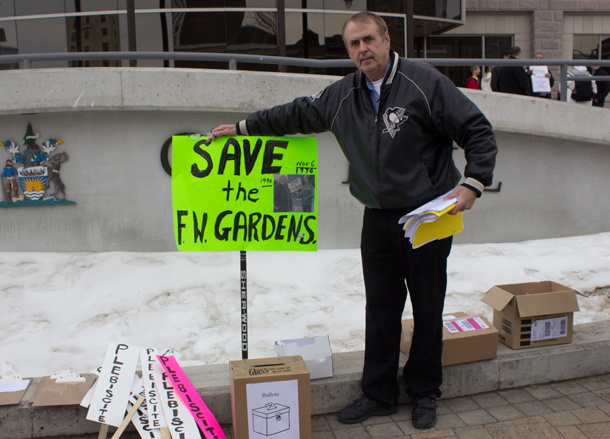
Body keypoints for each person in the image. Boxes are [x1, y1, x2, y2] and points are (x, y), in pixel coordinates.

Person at [208, 12, 497, 429]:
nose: (362, 50)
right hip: (377, 217)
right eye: (353, 45)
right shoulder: (344, 94)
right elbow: (298, 114)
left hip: (428, 214)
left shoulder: (423, 82)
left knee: (428, 305)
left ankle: (424, 391)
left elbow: (477, 130)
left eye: (368, 40)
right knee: (380, 308)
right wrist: (244, 127)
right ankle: (378, 393)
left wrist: (471, 184)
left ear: (386, 40)